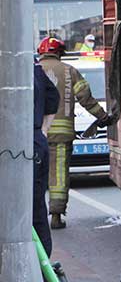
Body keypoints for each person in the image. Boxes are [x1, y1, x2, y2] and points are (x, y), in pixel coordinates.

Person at [37, 37, 111, 229]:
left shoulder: (32, 71)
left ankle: (31, 217)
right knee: (59, 174)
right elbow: (86, 99)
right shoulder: (70, 71)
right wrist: (103, 117)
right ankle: (56, 213)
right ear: (60, 53)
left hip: (34, 136)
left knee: (34, 175)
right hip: (62, 136)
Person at [34, 63, 59, 256]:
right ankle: (42, 261)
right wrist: (43, 130)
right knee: (36, 205)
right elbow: (53, 98)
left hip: (17, 146)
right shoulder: (35, 67)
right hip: (36, 142)